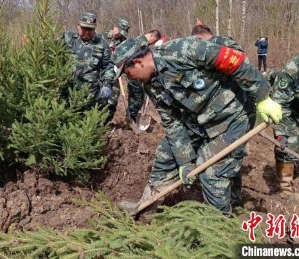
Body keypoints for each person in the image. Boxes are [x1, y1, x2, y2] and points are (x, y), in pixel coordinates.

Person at [113, 35, 282, 216]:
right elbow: (172, 122)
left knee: (212, 172)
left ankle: (217, 226)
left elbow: (236, 61)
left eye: (127, 73)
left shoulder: (183, 49)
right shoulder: (151, 85)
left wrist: (263, 97)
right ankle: (145, 210)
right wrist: (185, 162)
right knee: (166, 153)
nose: (130, 79)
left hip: (233, 115)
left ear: (138, 62)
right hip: (199, 118)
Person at [62, 12, 115, 115]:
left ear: (95, 28)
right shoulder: (68, 39)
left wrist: (107, 85)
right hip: (68, 92)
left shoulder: (102, 44)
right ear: (78, 26)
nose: (87, 32)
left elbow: (108, 66)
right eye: (84, 28)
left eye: (90, 29)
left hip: (91, 94)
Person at [271, 57, 299, 200]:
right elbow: (280, 106)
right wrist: (282, 133)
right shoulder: (291, 71)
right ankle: (286, 188)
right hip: (291, 116)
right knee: (289, 146)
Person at [100, 18, 131, 122]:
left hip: (115, 75)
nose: (121, 35)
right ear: (114, 27)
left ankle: (105, 124)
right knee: (99, 99)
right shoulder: (102, 37)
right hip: (100, 74)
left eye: (123, 33)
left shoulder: (124, 43)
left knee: (112, 101)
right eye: (120, 31)